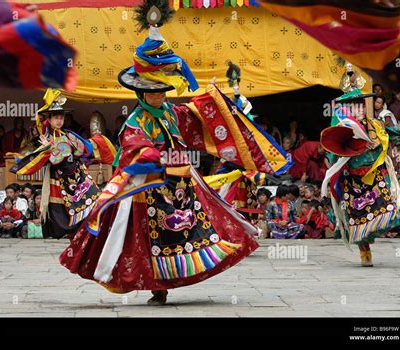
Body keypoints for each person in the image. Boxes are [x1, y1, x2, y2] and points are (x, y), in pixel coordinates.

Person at [59, 3, 269, 306]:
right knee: (153, 239)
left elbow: (196, 117)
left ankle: (183, 273)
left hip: (181, 184)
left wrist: (223, 103)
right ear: (141, 93)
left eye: (162, 90)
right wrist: (151, 154)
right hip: (151, 188)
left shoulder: (170, 112)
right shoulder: (135, 121)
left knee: (196, 228)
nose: (159, 95)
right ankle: (158, 286)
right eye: (153, 91)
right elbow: (133, 146)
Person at [321, 87, 400, 267]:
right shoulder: (343, 128)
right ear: (348, 110)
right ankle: (364, 250)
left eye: (362, 107)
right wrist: (356, 147)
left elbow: (396, 133)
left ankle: (379, 234)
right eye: (356, 108)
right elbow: (334, 153)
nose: (360, 111)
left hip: (375, 176)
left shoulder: (375, 124)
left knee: (389, 209)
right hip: (353, 180)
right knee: (357, 218)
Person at [11, 89, 115, 239]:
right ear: (50, 119)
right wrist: (47, 149)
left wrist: (100, 142)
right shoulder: (45, 137)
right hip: (59, 178)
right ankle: (68, 232)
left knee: (94, 198)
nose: (59, 120)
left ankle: (85, 231)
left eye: (61, 117)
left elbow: (86, 147)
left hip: (78, 175)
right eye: (56, 118)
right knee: (61, 209)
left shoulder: (69, 135)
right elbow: (40, 154)